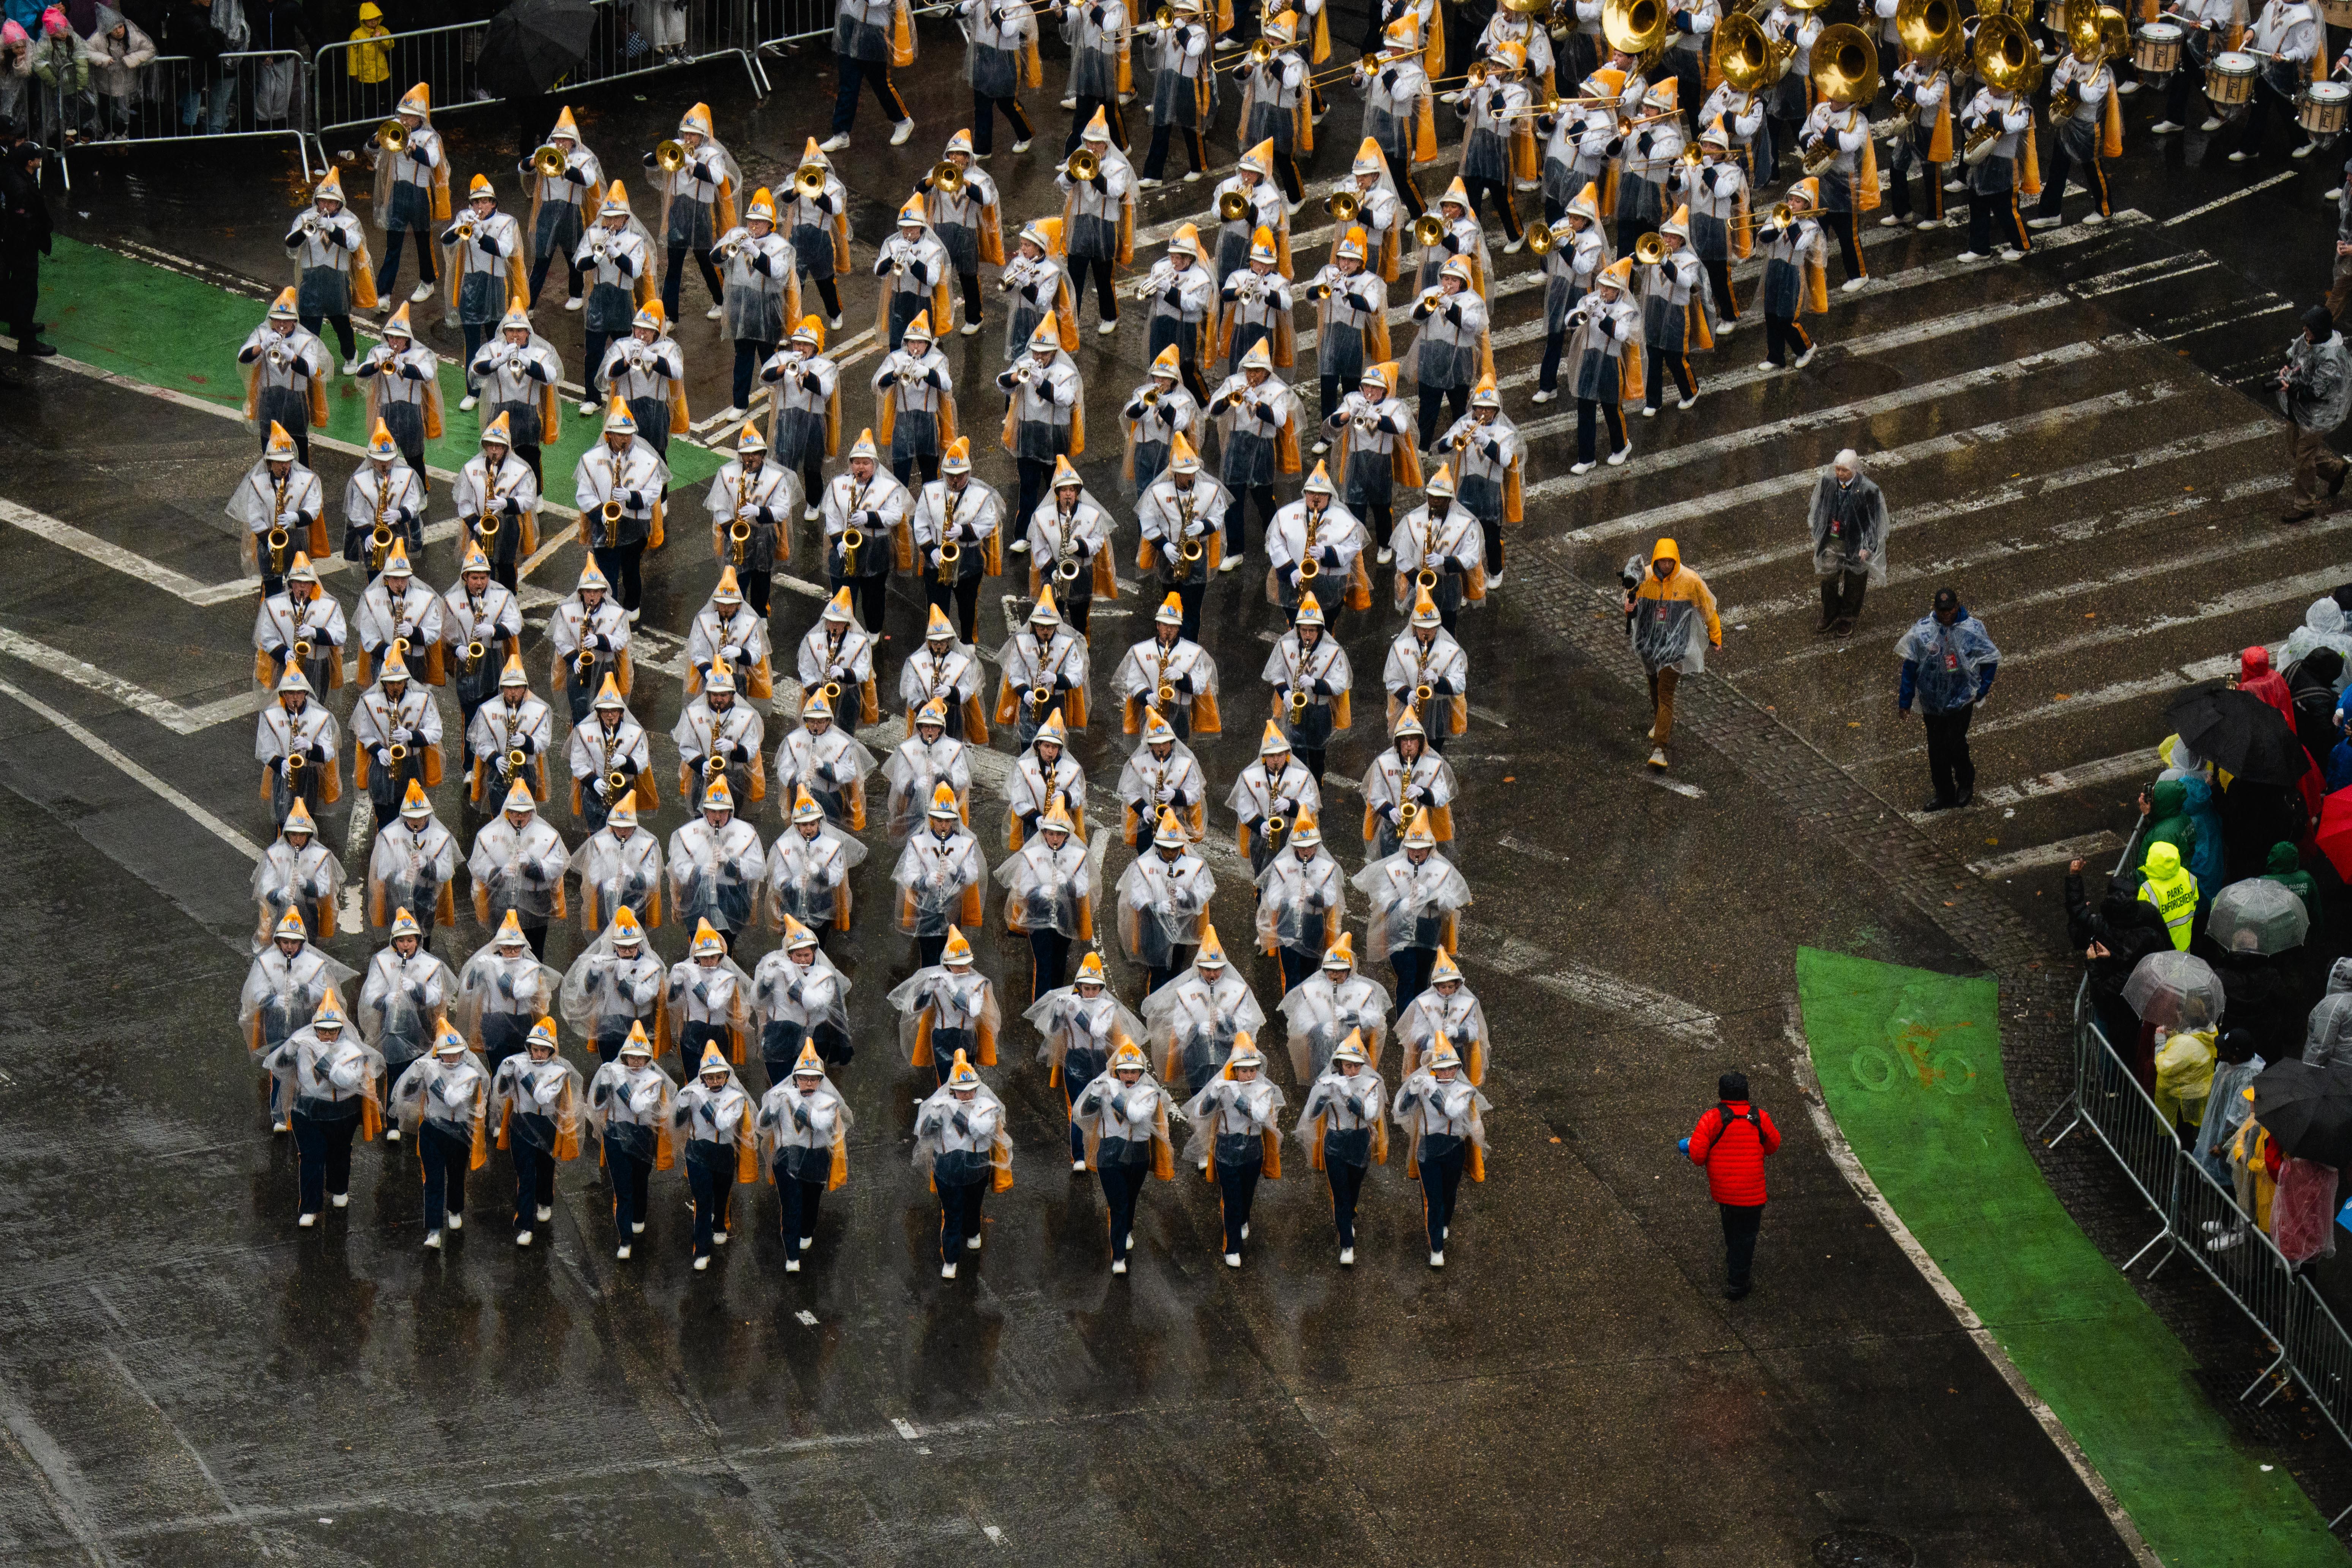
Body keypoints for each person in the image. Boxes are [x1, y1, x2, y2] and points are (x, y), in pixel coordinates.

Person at [259, 988, 383, 1228]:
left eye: (332, 1030)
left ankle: (339, 1189)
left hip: (343, 1112)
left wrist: (320, 1055)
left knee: (340, 1153)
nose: (327, 1035)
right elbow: (277, 1066)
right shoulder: (304, 1042)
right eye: (322, 1030)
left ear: (341, 1029)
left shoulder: (354, 1051)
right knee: (311, 1158)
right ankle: (310, 1207)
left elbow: (346, 1080)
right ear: (315, 1028)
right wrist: (289, 1049)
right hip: (307, 1111)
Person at [241, 909, 357, 1132]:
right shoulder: (266, 961)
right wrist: (273, 1000)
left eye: (294, 943)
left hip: (305, 1022)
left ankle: (299, 1112)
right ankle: (279, 1116)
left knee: (303, 1067)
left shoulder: (315, 963)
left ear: (302, 942)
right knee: (280, 1065)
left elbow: (326, 993)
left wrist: (304, 990)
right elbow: (256, 990)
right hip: (276, 1022)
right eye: (285, 942)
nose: (289, 947)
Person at [1071, 1038, 1178, 1274]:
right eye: (1124, 1071)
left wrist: (1113, 1094)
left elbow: (1137, 1116)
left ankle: (1127, 1228)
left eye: (1134, 1071)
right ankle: (1118, 1257)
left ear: (1141, 1072)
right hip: (1109, 1154)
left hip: (1139, 1154)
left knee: (1131, 1198)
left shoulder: (1150, 1093)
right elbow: (1082, 1114)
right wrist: (1094, 1095)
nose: (1129, 1076)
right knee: (1118, 1204)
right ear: (1116, 1071)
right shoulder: (1106, 1085)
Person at [1030, 946, 1144, 1162]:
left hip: (1100, 1061)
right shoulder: (1069, 1003)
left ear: (1101, 988)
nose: (1090, 992)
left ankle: (1099, 1151)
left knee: (1101, 1105)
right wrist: (1057, 1013)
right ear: (1079, 986)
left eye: (1095, 988)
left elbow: (1099, 1031)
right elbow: (1053, 1032)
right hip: (1074, 1059)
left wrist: (1076, 1011)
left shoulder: (1108, 1007)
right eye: (1086, 988)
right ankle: (1080, 1157)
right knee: (1078, 1108)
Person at [1181, 1034, 1283, 1268]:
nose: (1248, 1075)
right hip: (1226, 1148)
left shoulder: (1265, 1090)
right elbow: (1198, 1113)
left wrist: (1236, 1094)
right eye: (1243, 1070)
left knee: (1247, 1195)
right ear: (1235, 1070)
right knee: (1231, 1198)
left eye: (1252, 1070)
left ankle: (1244, 1219)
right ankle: (1232, 1247)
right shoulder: (1223, 1088)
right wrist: (1212, 1096)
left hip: (1253, 1149)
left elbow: (1258, 1116)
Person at [1896, 586, 1998, 811]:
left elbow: (1990, 659)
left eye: (1950, 610)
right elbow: (1910, 667)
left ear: (1957, 606)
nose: (1946, 615)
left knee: (1955, 743)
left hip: (1962, 699)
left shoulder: (1972, 629)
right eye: (1942, 611)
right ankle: (1944, 792)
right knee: (1936, 748)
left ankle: (1965, 783)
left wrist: (1981, 691)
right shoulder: (1923, 631)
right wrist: (1905, 701)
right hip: (1932, 701)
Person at [914, 1048, 1012, 1279]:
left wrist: (954, 1112)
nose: (967, 1095)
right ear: (953, 1090)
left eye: (971, 1090)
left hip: (977, 1169)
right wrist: (935, 1117)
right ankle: (950, 1259)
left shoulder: (987, 1106)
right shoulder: (940, 1105)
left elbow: (979, 1130)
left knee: (973, 1204)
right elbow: (923, 1134)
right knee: (951, 1214)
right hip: (947, 1171)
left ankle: (973, 1231)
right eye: (961, 1091)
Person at [486, 1018, 584, 1248]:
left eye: (543, 1050)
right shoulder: (519, 1065)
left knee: (545, 1167)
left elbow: (542, 1096)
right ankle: (525, 1225)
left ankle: (545, 1201)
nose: (538, 1054)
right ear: (529, 1048)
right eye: (535, 1049)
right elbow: (501, 1093)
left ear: (551, 1051)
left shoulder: (559, 1071)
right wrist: (506, 1074)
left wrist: (522, 1074)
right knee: (525, 1175)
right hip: (521, 1123)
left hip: (547, 1124)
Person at [1354, 812, 1468, 1008]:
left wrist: (1431, 895)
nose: (1416, 853)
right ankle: (1405, 1023)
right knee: (1407, 975)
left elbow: (1452, 902)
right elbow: (1381, 898)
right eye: (1412, 848)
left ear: (1430, 848)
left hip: (1428, 926)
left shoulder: (1442, 869)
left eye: (1422, 849)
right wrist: (1401, 904)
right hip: (1399, 925)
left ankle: (1421, 1017)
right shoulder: (1393, 868)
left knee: (1423, 975)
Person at [357, 904, 456, 1131]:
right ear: (394, 942)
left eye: (410, 941)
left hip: (421, 1025)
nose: (405, 946)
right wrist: (388, 999)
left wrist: (416, 989)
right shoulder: (382, 961)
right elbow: (371, 993)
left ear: (417, 941)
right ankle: (393, 1122)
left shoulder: (430, 964)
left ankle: (414, 1117)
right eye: (401, 941)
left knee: (418, 1072)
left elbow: (436, 997)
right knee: (395, 1071)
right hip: (393, 1024)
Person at [1681, 1070, 1779, 1298]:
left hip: (1725, 1194)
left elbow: (1697, 1157)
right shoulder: (1759, 1117)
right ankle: (1738, 1282)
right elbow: (1774, 1145)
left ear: (1721, 1093)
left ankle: (1736, 1273)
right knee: (1746, 1238)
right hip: (1753, 1194)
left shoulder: (1711, 1118)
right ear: (1746, 1093)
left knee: (1733, 1233)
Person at [1626, 537, 1721, 771]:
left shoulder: (1691, 581)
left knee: (1665, 692)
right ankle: (1661, 724)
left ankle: (1659, 749)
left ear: (1676, 560)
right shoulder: (1643, 577)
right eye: (1663, 561)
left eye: (1670, 561)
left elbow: (1708, 609)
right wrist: (1629, 606)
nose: (1667, 565)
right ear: (1656, 559)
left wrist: (1716, 635)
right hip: (1649, 645)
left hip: (1675, 650)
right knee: (1654, 686)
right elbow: (1631, 603)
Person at [392, 1024, 489, 1250]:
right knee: (433, 1181)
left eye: (456, 1052)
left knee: (456, 1176)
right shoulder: (429, 1068)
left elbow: (454, 1100)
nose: (451, 1057)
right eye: (446, 1052)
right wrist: (415, 1075)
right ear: (439, 1053)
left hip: (459, 1131)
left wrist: (432, 1077)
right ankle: (433, 1231)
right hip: (432, 1130)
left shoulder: (471, 1075)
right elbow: (406, 1096)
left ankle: (455, 1209)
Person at [758, 1041, 852, 1272]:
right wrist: (772, 1105)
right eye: (803, 1078)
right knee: (790, 1205)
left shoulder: (829, 1102)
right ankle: (792, 1256)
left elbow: (820, 1124)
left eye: (814, 1079)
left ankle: (807, 1230)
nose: (808, 1083)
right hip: (786, 1157)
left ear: (821, 1080)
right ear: (795, 1078)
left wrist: (795, 1103)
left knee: (811, 1201)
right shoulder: (783, 1095)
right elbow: (761, 1124)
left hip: (816, 1157)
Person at [1393, 1037, 1487, 1267]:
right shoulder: (1425, 1085)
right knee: (1433, 1200)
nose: (1446, 1073)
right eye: (1441, 1069)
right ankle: (1436, 1248)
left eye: (1450, 1068)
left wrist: (1432, 1091)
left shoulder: (1466, 1090)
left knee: (1450, 1194)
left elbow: (1453, 1112)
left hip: (1455, 1149)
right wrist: (1411, 1092)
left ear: (1457, 1068)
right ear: (1434, 1069)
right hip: (1428, 1150)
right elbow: (1401, 1111)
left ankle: (1444, 1223)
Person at [573, 397, 669, 622]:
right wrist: (603, 516)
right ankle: (610, 612)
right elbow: (584, 495)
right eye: (620, 434)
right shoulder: (590, 460)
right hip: (604, 525)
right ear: (609, 435)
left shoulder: (647, 460)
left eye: (629, 434)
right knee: (607, 574)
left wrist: (632, 497)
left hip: (635, 526)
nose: (625, 439)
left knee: (632, 569)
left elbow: (655, 491)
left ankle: (633, 604)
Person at [586, 1022, 677, 1260]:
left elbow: (637, 1107)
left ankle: (639, 1218)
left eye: (641, 1058)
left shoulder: (654, 1080)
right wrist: (605, 1086)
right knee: (622, 1187)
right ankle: (625, 1239)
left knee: (640, 1181)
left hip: (643, 1135)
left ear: (647, 1059)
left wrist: (618, 1082)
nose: (636, 1063)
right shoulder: (613, 1073)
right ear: (624, 1057)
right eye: (631, 1058)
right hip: (616, 1133)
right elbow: (597, 1106)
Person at [1295, 1031, 1386, 1264]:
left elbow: (1371, 1114)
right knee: (1340, 1194)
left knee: (1353, 1190)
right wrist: (1323, 1096)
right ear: (1340, 1065)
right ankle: (1347, 1244)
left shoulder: (1372, 1083)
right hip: (1334, 1142)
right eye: (1348, 1066)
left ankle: (1347, 1218)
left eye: (1357, 1066)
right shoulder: (1327, 1083)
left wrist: (1347, 1095)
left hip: (1360, 1140)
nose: (1353, 1071)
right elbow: (1312, 1116)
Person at [650, 103, 742, 324]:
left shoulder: (711, 154)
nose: (689, 138)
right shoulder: (676, 147)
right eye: (686, 133)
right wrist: (660, 154)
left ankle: (720, 300)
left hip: (701, 213)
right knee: (674, 265)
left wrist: (692, 162)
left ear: (703, 137)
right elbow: (650, 163)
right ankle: (670, 316)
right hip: (679, 211)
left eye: (694, 135)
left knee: (706, 261)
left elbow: (719, 178)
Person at [670, 1041, 757, 1270]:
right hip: (697, 1151)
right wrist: (681, 1103)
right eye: (711, 1077)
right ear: (703, 1078)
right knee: (703, 1199)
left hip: (723, 1153)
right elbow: (677, 1124)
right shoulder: (693, 1093)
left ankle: (720, 1224)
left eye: (720, 1077)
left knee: (721, 1195)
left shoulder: (736, 1098)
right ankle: (702, 1249)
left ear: (727, 1076)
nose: (716, 1081)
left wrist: (701, 1100)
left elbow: (723, 1124)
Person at [441, 175, 523, 410]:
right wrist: (460, 228)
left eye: (485, 202)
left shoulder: (507, 222)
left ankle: (502, 385)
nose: (480, 207)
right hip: (471, 284)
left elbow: (505, 251)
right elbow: (446, 242)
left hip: (496, 285)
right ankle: (473, 391)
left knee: (497, 339)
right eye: (476, 203)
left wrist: (479, 235)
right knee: (472, 341)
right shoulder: (464, 218)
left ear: (493, 203)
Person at [910, 437, 1002, 647]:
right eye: (950, 476)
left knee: (967, 604)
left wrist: (964, 531)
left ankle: (968, 640)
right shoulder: (930, 492)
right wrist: (930, 550)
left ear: (968, 474)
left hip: (969, 556)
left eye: (960, 476)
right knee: (936, 606)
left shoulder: (982, 495)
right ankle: (937, 643)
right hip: (938, 556)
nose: (954, 481)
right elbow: (921, 525)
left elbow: (988, 525)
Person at [715, 189, 797, 422]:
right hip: (741, 304)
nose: (754, 226)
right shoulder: (737, 234)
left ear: (770, 224)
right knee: (742, 357)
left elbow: (778, 273)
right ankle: (740, 403)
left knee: (769, 357)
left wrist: (756, 252)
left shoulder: (780, 246)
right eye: (751, 221)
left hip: (768, 306)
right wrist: (727, 250)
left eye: (759, 222)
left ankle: (780, 396)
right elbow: (714, 257)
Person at [1137, 433, 1229, 638]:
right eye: (1184, 474)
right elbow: (1148, 524)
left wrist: (1203, 526)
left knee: (1193, 611)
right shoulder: (1157, 493)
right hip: (1170, 555)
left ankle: (1190, 648)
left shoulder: (1211, 491)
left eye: (1192, 473)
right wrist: (1164, 546)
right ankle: (1170, 642)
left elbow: (1219, 517)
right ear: (1174, 473)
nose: (1190, 478)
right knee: (1171, 605)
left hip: (1197, 554)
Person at [574, 183, 656, 414]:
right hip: (599, 298)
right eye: (607, 217)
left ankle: (628, 395)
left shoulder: (636, 241)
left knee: (628, 351)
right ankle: (592, 397)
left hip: (623, 300)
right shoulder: (593, 235)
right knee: (593, 353)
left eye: (616, 218)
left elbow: (636, 270)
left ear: (625, 218)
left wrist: (615, 252)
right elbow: (579, 264)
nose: (610, 223)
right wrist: (596, 257)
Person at [1326, 361, 1418, 564]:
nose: (1370, 391)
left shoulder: (1394, 406)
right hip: (1356, 462)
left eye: (1375, 387)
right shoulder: (1352, 400)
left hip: (1380, 463)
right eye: (1367, 386)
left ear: (1385, 390)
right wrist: (1349, 414)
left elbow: (1401, 427)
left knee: (1381, 508)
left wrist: (1375, 415)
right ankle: (1353, 545)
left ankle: (1385, 545)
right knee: (1354, 506)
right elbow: (1331, 424)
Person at [285, 168, 372, 380]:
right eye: (322, 201)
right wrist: (304, 230)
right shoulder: (305, 217)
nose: (326, 206)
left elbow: (354, 244)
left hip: (337, 281)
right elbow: (290, 245)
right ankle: (308, 361)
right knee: (308, 325)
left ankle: (351, 356)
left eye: (331, 202)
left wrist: (331, 228)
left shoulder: (350, 221)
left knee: (341, 323)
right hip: (311, 280)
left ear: (339, 204)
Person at [821, 427, 910, 635]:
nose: (860, 467)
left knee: (874, 594)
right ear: (851, 464)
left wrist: (869, 517)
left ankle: (873, 631)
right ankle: (844, 629)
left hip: (875, 545)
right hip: (846, 545)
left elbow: (896, 516)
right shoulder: (838, 484)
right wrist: (838, 543)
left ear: (874, 465)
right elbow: (832, 516)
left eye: (866, 463)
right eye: (857, 462)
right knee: (843, 593)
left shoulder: (888, 487)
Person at [441, 541, 523, 764]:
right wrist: (456, 648)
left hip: (495, 660)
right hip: (467, 662)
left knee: (495, 713)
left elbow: (516, 624)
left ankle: (493, 758)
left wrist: (494, 630)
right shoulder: (451, 600)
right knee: (470, 715)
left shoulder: (502, 595)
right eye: (475, 578)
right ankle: (470, 766)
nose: (480, 583)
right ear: (465, 578)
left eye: (483, 577)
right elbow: (444, 633)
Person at [998, 319, 1086, 526]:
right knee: (1028, 485)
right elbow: (1001, 384)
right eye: (1036, 352)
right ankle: (1024, 533)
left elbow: (1067, 399)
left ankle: (1054, 529)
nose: (1038, 357)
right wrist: (1016, 377)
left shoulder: (1067, 372)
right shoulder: (1024, 364)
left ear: (1055, 351)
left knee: (1054, 487)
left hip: (1055, 436)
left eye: (1044, 353)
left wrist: (1042, 383)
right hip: (1027, 433)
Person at [1119, 806, 1216, 991]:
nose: (1171, 854)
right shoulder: (1144, 865)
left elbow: (1205, 892)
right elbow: (1136, 896)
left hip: (1181, 927)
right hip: (1153, 928)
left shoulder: (1194, 866)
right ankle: (1154, 1009)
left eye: (1175, 849)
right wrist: (1155, 906)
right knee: (1158, 972)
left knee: (1177, 970)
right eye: (1166, 849)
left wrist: (1187, 896)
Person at [919, 134, 1004, 345]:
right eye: (953, 153)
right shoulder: (938, 171)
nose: (957, 158)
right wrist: (933, 179)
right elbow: (917, 191)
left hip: (967, 232)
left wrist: (964, 181)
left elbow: (988, 199)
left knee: (969, 276)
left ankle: (974, 318)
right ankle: (936, 327)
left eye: (962, 155)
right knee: (938, 279)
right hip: (941, 231)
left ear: (969, 158)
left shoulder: (980, 178)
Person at [1055, 107, 1135, 332]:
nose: (1091, 148)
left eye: (1097, 143)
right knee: (1075, 276)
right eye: (1088, 142)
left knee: (1103, 277)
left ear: (1106, 144)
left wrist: (1093, 174)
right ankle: (1072, 321)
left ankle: (1109, 317)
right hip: (1080, 224)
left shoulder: (1119, 166)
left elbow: (1116, 191)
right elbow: (1061, 184)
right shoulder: (1077, 158)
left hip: (1105, 226)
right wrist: (1074, 172)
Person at [370, 84, 448, 308]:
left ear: (420, 118)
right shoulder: (393, 127)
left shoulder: (430, 137)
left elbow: (434, 161)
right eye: (403, 114)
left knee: (422, 241)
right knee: (393, 244)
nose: (405, 119)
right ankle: (384, 294)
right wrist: (376, 140)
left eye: (411, 116)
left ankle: (427, 282)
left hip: (419, 194)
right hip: (397, 191)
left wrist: (412, 146)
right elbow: (372, 148)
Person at [669, 775, 767, 953]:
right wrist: (699, 871)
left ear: (730, 811)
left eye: (723, 811)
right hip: (698, 896)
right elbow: (677, 868)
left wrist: (732, 864)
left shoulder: (746, 832)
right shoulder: (687, 833)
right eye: (713, 811)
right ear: (705, 810)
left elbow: (758, 869)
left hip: (732, 898)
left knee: (725, 947)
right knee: (699, 946)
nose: (717, 816)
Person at [227, 422, 326, 599]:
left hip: (296, 540)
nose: (284, 467)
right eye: (279, 463)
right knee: (271, 589)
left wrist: (296, 516)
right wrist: (270, 542)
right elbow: (255, 517)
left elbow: (314, 507)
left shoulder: (307, 480)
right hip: (269, 540)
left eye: (287, 462)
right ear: (270, 462)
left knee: (301, 588)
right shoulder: (257, 483)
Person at [518, 105, 602, 311]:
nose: (561, 143)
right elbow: (521, 168)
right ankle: (529, 305)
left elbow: (590, 181)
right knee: (541, 259)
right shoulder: (545, 152)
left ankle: (576, 293)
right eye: (558, 139)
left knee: (573, 255)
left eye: (565, 139)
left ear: (574, 141)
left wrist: (566, 168)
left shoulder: (583, 159)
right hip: (546, 211)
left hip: (571, 212)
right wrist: (532, 162)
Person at [560, 903, 667, 1064]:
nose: (628, 952)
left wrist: (621, 974)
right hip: (609, 1027)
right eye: (623, 948)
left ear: (639, 945)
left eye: (632, 947)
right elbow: (585, 993)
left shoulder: (652, 968)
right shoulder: (607, 963)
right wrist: (594, 972)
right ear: (615, 946)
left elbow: (640, 997)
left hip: (638, 1026)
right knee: (611, 1071)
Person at [1265, 462, 1369, 629]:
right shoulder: (1285, 514)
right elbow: (1276, 544)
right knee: (1296, 624)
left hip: (1330, 584)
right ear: (1305, 493)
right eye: (1312, 493)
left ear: (1329, 496)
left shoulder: (1345, 519)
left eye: (1321, 494)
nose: (1316, 498)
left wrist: (1327, 553)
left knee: (1325, 625)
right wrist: (1291, 571)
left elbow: (1353, 548)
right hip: (1294, 581)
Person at [895, 782, 988, 968]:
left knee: (951, 958)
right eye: (939, 820)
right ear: (931, 818)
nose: (944, 825)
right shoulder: (918, 842)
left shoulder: (965, 844)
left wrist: (956, 870)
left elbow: (973, 875)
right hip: (926, 906)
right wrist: (926, 881)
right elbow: (907, 875)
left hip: (953, 906)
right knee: (928, 960)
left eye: (948, 820)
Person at [1256, 805, 1347, 994]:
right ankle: (1292, 1015)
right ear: (1295, 846)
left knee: (1309, 974)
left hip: (1314, 924)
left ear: (1317, 846)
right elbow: (1272, 899)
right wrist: (1289, 900)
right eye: (1302, 847)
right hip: (1287, 924)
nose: (1307, 851)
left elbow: (1331, 899)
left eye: (1311, 846)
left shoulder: (1327, 868)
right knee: (1291, 975)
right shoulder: (1282, 866)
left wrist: (1314, 895)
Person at [349, 644, 442, 826]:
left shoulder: (422, 700)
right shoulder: (369, 702)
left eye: (399, 682)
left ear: (406, 681)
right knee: (384, 818)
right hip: (382, 766)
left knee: (411, 815)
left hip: (411, 764)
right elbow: (364, 734)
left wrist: (411, 736)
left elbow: (436, 732)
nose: (395, 687)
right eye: (391, 682)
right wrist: (378, 752)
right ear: (383, 682)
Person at [1563, 256, 1641, 473]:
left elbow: (1623, 334)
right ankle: (1586, 457)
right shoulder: (1590, 300)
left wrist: (1602, 316)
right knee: (1585, 408)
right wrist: (1583, 312)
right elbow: (1569, 321)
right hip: (1589, 359)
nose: (1604, 292)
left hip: (1610, 361)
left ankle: (1622, 446)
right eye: (1602, 286)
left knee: (1611, 408)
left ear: (1620, 291)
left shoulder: (1626, 311)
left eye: (1609, 288)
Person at [753, 913, 853, 1082]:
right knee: (780, 1084)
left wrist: (792, 979)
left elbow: (812, 1004)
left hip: (814, 1038)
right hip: (780, 1036)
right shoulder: (776, 967)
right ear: (789, 954)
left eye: (807, 955)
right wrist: (766, 981)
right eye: (798, 956)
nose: (803, 960)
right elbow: (756, 1001)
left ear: (814, 952)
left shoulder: (825, 975)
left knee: (808, 1086)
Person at [1533, 182, 1608, 406]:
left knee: (1584, 338)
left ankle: (1590, 381)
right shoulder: (1561, 225)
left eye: (1577, 218)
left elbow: (1584, 268)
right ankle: (1547, 386)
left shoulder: (1594, 242)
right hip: (1559, 286)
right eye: (1571, 216)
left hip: (1579, 290)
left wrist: (1566, 246)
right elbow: (1544, 247)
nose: (1572, 222)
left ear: (1587, 221)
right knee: (1554, 336)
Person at [1264, 591, 1352, 780]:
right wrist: (1286, 693)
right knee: (1296, 756)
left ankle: (1317, 790)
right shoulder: (1286, 645)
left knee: (1318, 758)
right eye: (1304, 630)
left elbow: (1341, 684)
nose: (1307, 635)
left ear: (1320, 630)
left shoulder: (1333, 651)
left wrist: (1316, 684)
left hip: (1319, 710)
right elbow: (1275, 674)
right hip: (1294, 709)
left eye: (1312, 631)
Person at [1111, 593, 1222, 741]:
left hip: (1181, 712)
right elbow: (1132, 682)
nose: (1168, 630)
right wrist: (1147, 695)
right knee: (1150, 747)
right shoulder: (1140, 650)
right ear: (1158, 625)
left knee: (1179, 750)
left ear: (1179, 629)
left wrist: (1182, 677)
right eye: (1164, 625)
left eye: (1173, 627)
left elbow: (1201, 686)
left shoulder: (1194, 652)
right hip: (1150, 709)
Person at [1023, 456, 1115, 635]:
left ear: (1077, 492)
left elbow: (1098, 542)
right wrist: (1053, 571)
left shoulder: (1092, 514)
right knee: (1050, 620)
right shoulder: (1042, 517)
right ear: (1057, 492)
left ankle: (1080, 653)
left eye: (1072, 490)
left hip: (1081, 573)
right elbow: (1039, 549)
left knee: (1080, 621)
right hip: (1053, 575)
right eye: (1064, 490)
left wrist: (1080, 545)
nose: (1068, 494)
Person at [452, 411, 543, 590]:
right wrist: (475, 524)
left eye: (499, 447)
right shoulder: (471, 469)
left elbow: (528, 500)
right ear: (485, 446)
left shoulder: (520, 470)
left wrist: (507, 504)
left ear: (506, 448)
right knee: (483, 565)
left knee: (507, 565)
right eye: (491, 446)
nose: (494, 451)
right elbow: (464, 502)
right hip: (480, 525)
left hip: (509, 525)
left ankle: (508, 598)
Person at [768, 783, 869, 943]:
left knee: (817, 945)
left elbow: (838, 877)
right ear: (797, 826)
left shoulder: (832, 846)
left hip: (822, 904)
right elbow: (778, 878)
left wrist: (819, 872)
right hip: (793, 903)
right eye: (804, 825)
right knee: (794, 945)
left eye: (813, 824)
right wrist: (793, 883)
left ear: (819, 823)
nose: (809, 829)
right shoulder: (785, 846)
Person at [237, 288, 328, 465]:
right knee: (269, 452)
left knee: (299, 452)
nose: (282, 324)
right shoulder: (263, 335)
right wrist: (262, 347)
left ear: (295, 321)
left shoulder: (306, 340)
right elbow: (243, 358)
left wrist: (292, 356)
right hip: (268, 399)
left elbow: (311, 370)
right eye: (277, 319)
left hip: (296, 402)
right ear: (271, 321)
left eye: (287, 320)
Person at [2279, 305, 2352, 522]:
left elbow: (2317, 392)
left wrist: (2290, 388)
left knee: (2304, 457)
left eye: (2310, 326)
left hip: (2318, 414)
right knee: (2296, 449)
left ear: (2319, 329)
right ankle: (2335, 471)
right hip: (2299, 406)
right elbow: (2294, 356)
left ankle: (2304, 504)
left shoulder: (2331, 357)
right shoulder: (2308, 340)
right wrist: (2287, 369)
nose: (2305, 329)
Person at [593, 301, 689, 463]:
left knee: (657, 459)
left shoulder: (668, 348)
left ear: (656, 332)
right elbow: (606, 376)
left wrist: (651, 357)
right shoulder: (622, 346)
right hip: (627, 410)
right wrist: (627, 360)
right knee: (625, 457)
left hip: (657, 413)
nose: (641, 333)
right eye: (638, 328)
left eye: (647, 330)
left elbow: (677, 372)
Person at [1808, 447, 1889, 635]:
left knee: (1855, 581)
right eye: (1838, 469)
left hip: (1856, 542)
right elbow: (1820, 510)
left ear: (1855, 469)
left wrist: (1867, 547)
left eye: (1844, 470)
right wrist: (1819, 532)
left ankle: (1848, 617)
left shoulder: (1869, 490)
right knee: (1828, 577)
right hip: (1833, 539)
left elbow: (1873, 522)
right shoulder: (1828, 482)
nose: (1840, 474)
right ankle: (1831, 610)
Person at [367, 779, 457, 947]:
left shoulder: (440, 837)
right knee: (399, 942)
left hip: (426, 897)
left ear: (428, 815)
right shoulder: (390, 836)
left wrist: (427, 865)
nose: (415, 822)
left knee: (424, 942)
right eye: (411, 817)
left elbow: (447, 872)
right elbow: (381, 872)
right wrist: (399, 875)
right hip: (397, 898)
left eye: (420, 817)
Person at [873, 308, 957, 489]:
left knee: (930, 477)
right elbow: (877, 383)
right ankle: (901, 514)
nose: (916, 347)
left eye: (921, 342)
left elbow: (947, 385)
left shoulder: (938, 360)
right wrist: (896, 373)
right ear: (907, 342)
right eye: (912, 342)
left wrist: (927, 373)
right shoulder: (896, 358)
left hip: (928, 423)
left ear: (928, 343)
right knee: (900, 476)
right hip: (903, 421)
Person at [997, 588, 1092, 746]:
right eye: (1041, 627)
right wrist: (1025, 692)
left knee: (1054, 747)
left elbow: (1077, 678)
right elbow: (1014, 675)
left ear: (1056, 626)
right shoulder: (1021, 642)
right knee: (1028, 747)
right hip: (1030, 702)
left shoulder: (1067, 645)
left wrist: (1056, 679)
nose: (1045, 631)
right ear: (1033, 626)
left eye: (1050, 627)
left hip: (1056, 702)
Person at [1955, 73, 2034, 263]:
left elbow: (2013, 125)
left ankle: (2022, 245)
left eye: (1994, 82)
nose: (1988, 84)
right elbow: (1966, 114)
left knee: (2006, 209)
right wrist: (1974, 124)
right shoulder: (1983, 94)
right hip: (1982, 158)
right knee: (1977, 203)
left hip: (2004, 164)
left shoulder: (2021, 106)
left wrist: (1988, 113)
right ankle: (1979, 248)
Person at [772, 687, 875, 832]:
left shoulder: (841, 743)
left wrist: (825, 767)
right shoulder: (793, 740)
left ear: (828, 720)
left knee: (829, 834)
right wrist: (798, 778)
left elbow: (850, 772)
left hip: (830, 798)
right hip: (801, 795)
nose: (815, 726)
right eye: (812, 721)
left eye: (820, 722)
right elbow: (783, 769)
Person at [1389, 464, 1478, 632]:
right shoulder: (1412, 520)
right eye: (1432, 497)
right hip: (1419, 582)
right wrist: (1419, 581)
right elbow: (1402, 557)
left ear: (1450, 500)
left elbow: (1472, 557)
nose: (1435, 501)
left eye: (1440, 498)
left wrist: (1445, 561)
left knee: (1448, 628)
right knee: (1419, 628)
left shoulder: (1466, 525)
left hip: (1450, 583)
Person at [1639, 207, 1708, 420]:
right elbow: (1640, 269)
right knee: (1654, 357)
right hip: (1654, 309)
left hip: (1677, 312)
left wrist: (1664, 261)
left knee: (1675, 358)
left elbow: (1686, 283)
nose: (1668, 240)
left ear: (1682, 241)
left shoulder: (1690, 261)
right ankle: (1654, 401)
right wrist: (1636, 259)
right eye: (1666, 235)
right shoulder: (1655, 252)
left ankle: (1691, 391)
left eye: (1674, 237)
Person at [254, 664, 342, 830]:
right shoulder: (270, 715)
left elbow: (329, 753)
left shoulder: (321, 717)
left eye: (299, 693)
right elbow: (264, 750)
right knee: (283, 823)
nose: (295, 698)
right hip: (282, 775)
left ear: (305, 693)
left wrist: (310, 747)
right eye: (290, 693)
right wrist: (280, 763)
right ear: (283, 695)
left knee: (306, 823)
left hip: (309, 775)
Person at [2230, 0, 2318, 163]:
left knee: (2285, 107)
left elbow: (2306, 49)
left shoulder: (2304, 16)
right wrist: (2252, 31)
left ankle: (2304, 141)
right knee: (2261, 105)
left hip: (2283, 68)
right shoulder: (2274, 2)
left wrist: (2286, 57)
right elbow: (2264, 24)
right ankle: (2250, 147)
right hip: (2264, 63)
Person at [1382, 586, 1468, 752]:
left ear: (1438, 628)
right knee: (1407, 751)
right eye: (1422, 628)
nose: (1427, 632)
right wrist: (1407, 693)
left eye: (1431, 628)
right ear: (1414, 627)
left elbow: (1460, 685)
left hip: (1438, 710)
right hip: (1409, 709)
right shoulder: (1400, 648)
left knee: (1435, 752)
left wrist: (1439, 681)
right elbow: (1392, 680)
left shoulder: (1451, 651)